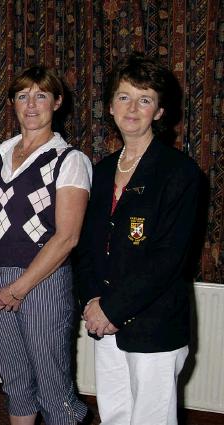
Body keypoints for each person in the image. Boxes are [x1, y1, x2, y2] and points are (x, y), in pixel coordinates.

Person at [78, 53, 201, 425]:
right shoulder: (98, 172)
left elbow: (168, 257)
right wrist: (92, 302)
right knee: (114, 415)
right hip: (104, 318)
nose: (133, 108)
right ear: (111, 107)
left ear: (160, 112)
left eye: (145, 99)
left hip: (153, 322)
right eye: (124, 97)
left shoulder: (179, 173)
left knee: (151, 419)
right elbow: (83, 248)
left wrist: (114, 308)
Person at [0, 65, 91, 424]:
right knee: (14, 382)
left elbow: (67, 237)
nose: (31, 104)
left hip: (42, 280)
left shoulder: (69, 161)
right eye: (23, 95)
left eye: (41, 95)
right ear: (12, 103)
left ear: (57, 102)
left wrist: (20, 287)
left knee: (53, 386)